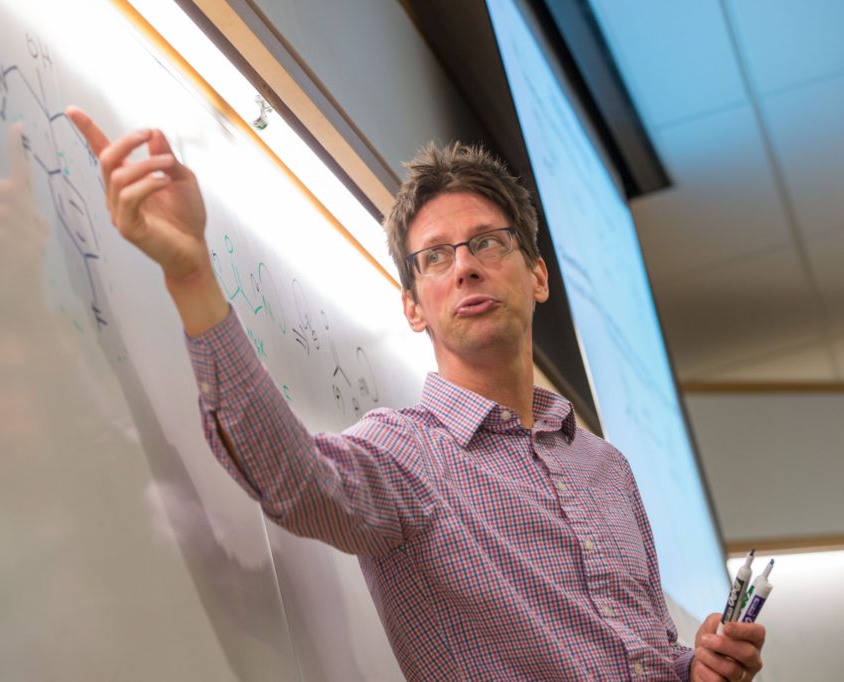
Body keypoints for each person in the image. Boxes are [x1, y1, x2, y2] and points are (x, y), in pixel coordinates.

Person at [66, 106, 766, 682]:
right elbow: (292, 480)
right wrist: (191, 274)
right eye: (435, 257)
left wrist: (696, 665)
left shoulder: (607, 469)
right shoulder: (404, 455)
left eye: (487, 243)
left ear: (538, 277)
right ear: (413, 307)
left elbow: (643, 652)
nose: (463, 267)